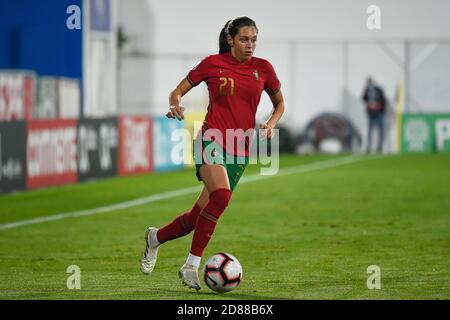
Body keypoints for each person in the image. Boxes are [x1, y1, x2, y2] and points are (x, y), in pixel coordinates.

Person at [140, 16, 285, 291]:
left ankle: (155, 238)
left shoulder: (263, 69)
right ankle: (191, 266)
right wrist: (175, 105)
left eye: (254, 39)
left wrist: (271, 123)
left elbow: (279, 103)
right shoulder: (212, 64)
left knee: (198, 216)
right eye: (244, 39)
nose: (250, 45)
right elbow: (177, 91)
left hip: (240, 149)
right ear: (230, 40)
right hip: (211, 140)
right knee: (222, 196)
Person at [362, 77, 386, 153]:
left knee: (380, 130)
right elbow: (363, 98)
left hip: (379, 113)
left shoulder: (379, 89)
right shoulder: (367, 90)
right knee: (370, 131)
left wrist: (382, 110)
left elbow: (383, 100)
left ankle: (379, 147)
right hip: (371, 113)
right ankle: (369, 147)